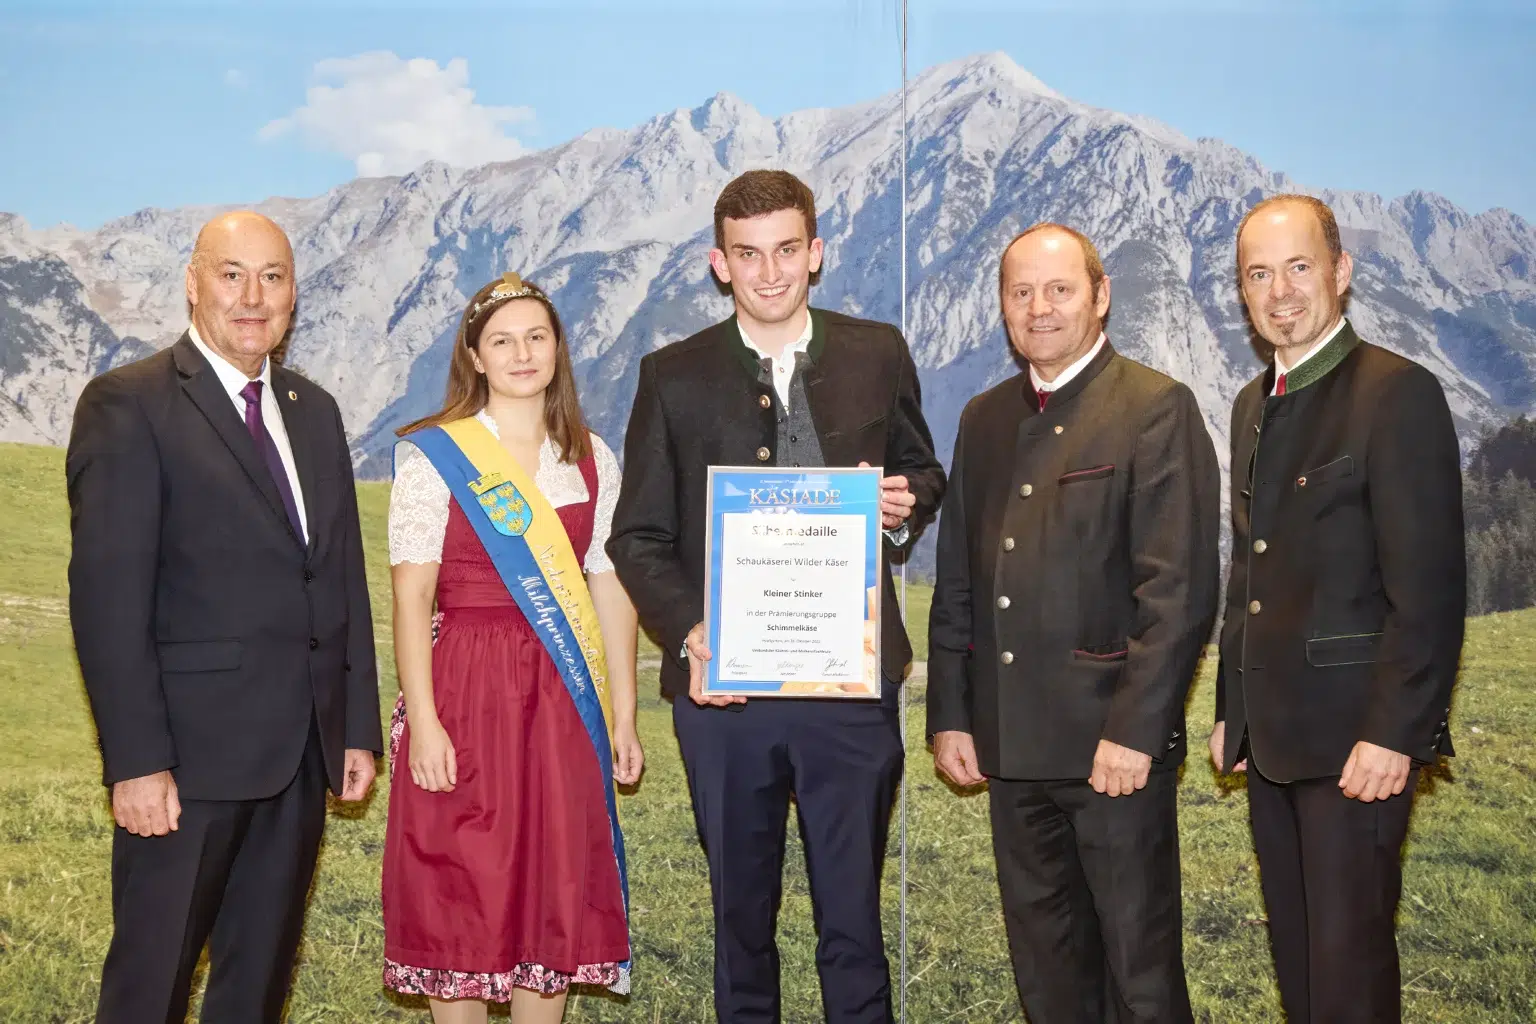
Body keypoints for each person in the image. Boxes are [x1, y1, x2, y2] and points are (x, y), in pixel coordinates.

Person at [606, 169, 944, 1024]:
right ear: (719, 264)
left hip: (852, 686)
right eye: (748, 255)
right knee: (740, 923)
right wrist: (689, 631)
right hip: (725, 692)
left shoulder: (877, 351)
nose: (769, 273)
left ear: (816, 253)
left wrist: (899, 504)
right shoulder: (670, 375)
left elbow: (923, 473)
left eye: (786, 250)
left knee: (853, 925)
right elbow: (636, 537)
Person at [66, 211, 381, 1023]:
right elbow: (108, 600)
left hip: (300, 759)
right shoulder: (127, 404)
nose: (253, 296)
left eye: (272, 277)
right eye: (232, 274)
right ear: (193, 283)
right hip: (184, 768)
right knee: (150, 987)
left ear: (294, 294)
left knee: (256, 988)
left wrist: (353, 727)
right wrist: (135, 761)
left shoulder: (316, 411)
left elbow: (339, 576)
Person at [927, 223, 1219, 1024]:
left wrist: (1135, 731)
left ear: (1101, 296)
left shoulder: (1156, 408)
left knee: (1141, 977)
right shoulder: (984, 418)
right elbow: (959, 579)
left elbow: (1179, 592)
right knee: (1046, 974)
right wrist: (952, 716)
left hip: (1111, 754)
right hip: (1011, 750)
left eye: (1059, 289)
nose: (1039, 308)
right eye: (1020, 293)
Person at [1210, 194, 1465, 1023]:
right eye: (1259, 274)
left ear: (1340, 273)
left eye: (1298, 267)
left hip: (1359, 746)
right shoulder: (1253, 404)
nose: (1280, 291)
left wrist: (1397, 734)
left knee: (1348, 978)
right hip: (1272, 744)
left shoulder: (1398, 392)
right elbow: (1250, 573)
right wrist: (1231, 710)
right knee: (1300, 968)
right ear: (1242, 293)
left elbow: (1427, 592)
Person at [381, 273, 643, 1024]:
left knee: (549, 882)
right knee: (461, 882)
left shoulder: (592, 457)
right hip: (465, 686)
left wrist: (623, 715)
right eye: (502, 340)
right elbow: (411, 595)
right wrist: (424, 721)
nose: (522, 353)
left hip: (562, 696)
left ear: (558, 348)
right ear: (475, 355)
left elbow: (610, 589)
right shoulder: (435, 455)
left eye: (536, 336)